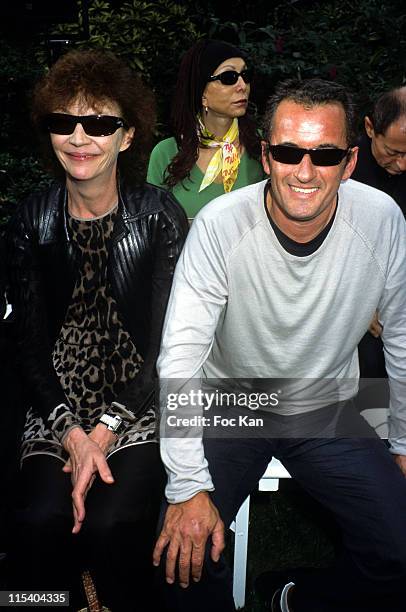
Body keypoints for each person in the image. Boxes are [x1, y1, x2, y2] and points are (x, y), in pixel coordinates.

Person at [154, 78, 406, 612]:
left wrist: (403, 442)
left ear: (351, 160)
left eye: (326, 154)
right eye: (289, 151)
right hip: (232, 402)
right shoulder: (221, 225)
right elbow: (181, 353)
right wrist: (187, 485)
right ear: (266, 155)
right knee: (185, 560)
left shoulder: (383, 219)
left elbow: (403, 336)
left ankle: (295, 599)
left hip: (330, 402)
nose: (306, 172)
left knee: (398, 548)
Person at [6, 48, 188, 612]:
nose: (80, 137)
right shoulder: (30, 219)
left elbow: (165, 344)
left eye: (99, 123)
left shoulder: (158, 215)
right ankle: (43, 602)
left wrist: (104, 430)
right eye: (65, 122)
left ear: (127, 137)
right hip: (54, 406)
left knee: (114, 523)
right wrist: (71, 434)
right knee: (38, 521)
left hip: (137, 402)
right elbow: (28, 344)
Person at [147, 39, 264, 221]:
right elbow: (154, 231)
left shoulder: (263, 147)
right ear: (202, 94)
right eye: (229, 78)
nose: (242, 86)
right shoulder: (165, 153)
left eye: (245, 76)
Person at [352, 87, 406, 380]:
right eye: (393, 152)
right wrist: (362, 303)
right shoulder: (342, 173)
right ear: (370, 128)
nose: (402, 164)